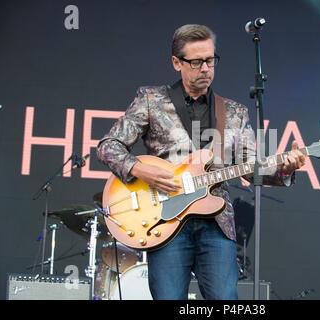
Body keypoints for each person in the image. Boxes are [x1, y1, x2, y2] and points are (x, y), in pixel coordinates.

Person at [96, 24, 305, 300]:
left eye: (210, 60)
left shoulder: (234, 112)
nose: (206, 68)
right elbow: (108, 146)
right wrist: (139, 169)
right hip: (165, 222)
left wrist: (284, 169)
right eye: (196, 62)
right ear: (176, 63)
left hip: (216, 223)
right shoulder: (151, 100)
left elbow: (251, 169)